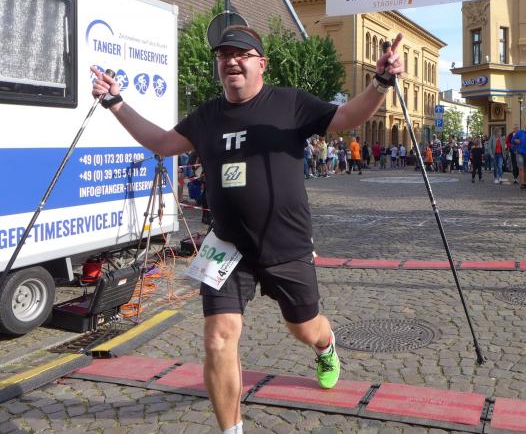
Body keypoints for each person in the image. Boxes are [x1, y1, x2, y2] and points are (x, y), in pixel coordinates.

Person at [91, 26, 406, 434]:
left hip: (286, 246)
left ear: (262, 63)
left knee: (304, 327)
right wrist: (115, 103)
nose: (231, 61)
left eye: (241, 54)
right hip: (226, 247)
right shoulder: (207, 116)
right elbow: (164, 143)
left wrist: (380, 83)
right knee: (218, 338)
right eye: (224, 55)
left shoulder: (289, 103)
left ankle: (326, 346)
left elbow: (347, 117)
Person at [513, 122, 526, 189]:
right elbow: (512, 140)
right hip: (519, 153)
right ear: (524, 126)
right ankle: (522, 183)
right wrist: (516, 140)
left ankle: (524, 183)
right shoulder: (520, 132)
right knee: (521, 168)